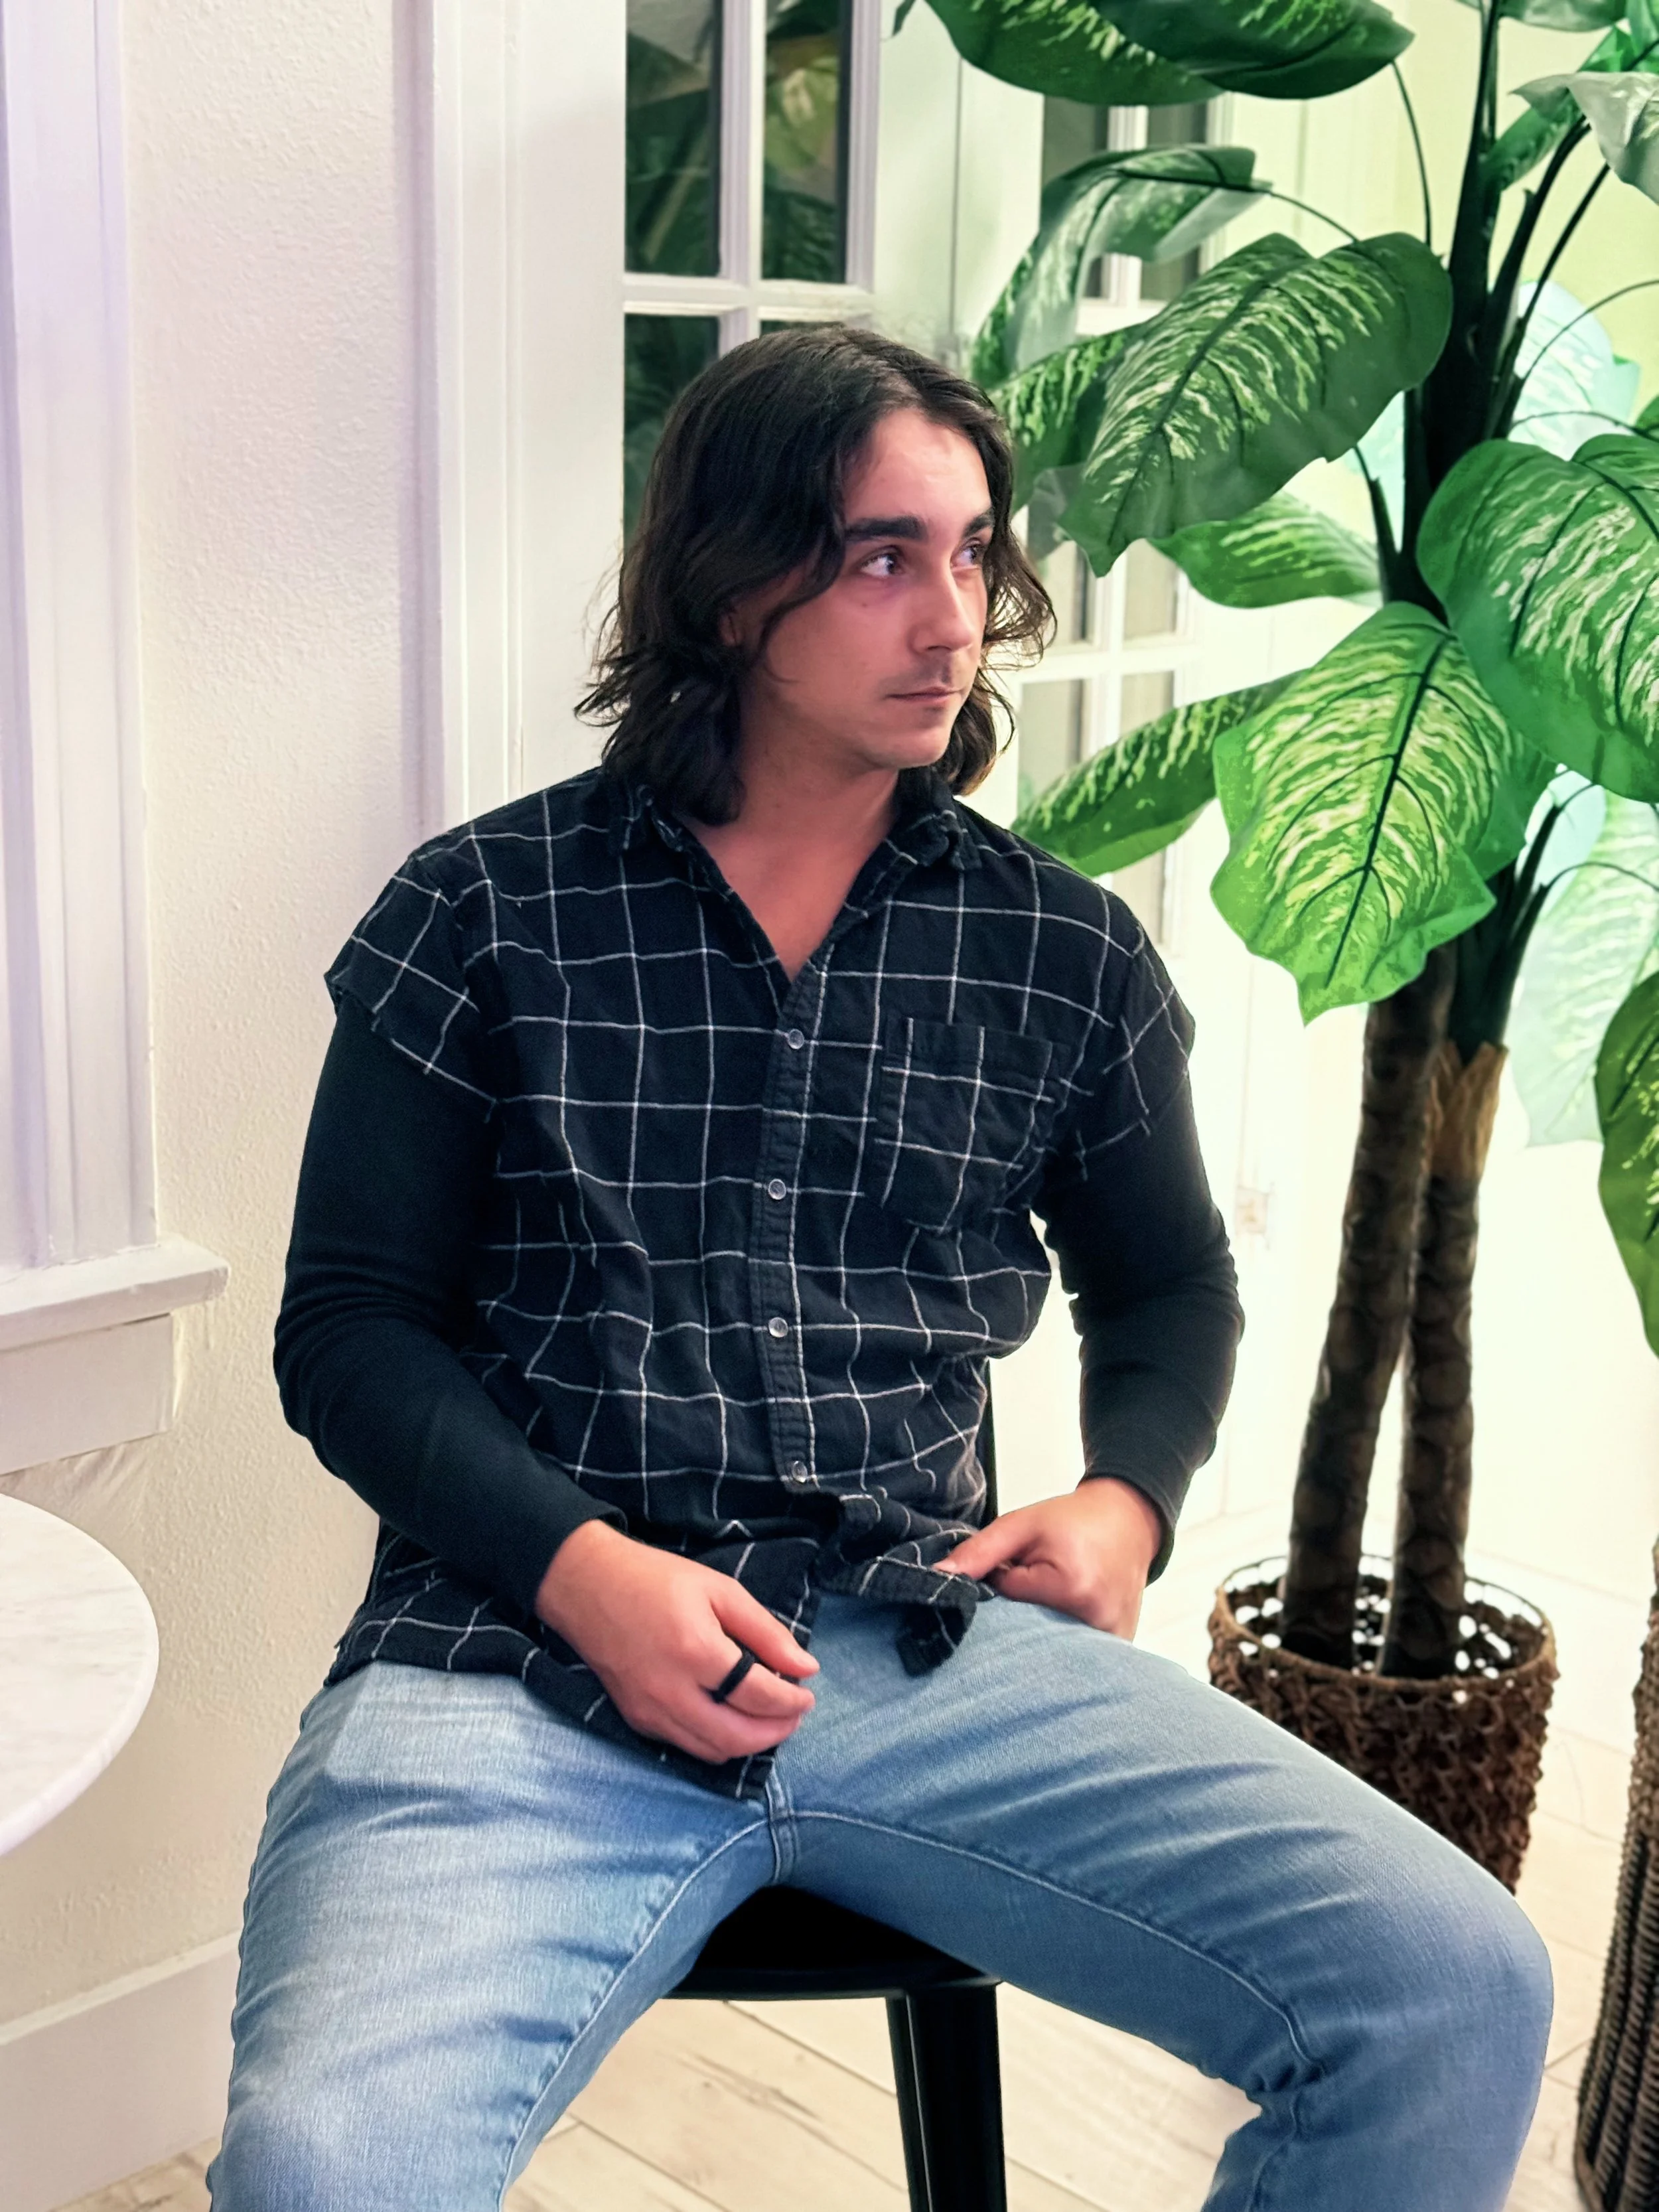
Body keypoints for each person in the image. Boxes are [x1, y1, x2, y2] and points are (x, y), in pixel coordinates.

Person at [209, 325, 1550, 2211]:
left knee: (1451, 1982)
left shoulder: (1060, 959)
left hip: (918, 1644)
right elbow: (348, 1332)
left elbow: (1166, 1289)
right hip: (510, 1655)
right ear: (731, 578)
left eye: (972, 554)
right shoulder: (480, 911)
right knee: (323, 2168)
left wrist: (1122, 1503)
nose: (954, 617)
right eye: (877, 554)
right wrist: (586, 1573)